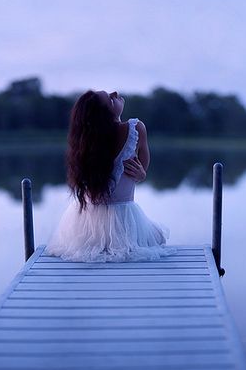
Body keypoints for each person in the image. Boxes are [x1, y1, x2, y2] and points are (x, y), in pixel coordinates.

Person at [46, 90, 175, 262]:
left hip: (85, 225)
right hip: (123, 221)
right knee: (156, 239)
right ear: (105, 115)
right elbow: (141, 171)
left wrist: (141, 174)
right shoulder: (136, 128)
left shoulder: (85, 144)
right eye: (110, 99)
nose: (115, 93)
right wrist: (141, 174)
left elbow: (139, 173)